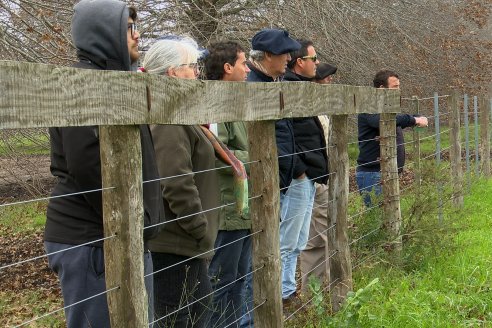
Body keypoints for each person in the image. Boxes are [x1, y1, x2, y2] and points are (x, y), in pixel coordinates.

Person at [44, 1, 162, 326]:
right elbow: (87, 165)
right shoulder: (83, 84)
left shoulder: (118, 81)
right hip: (92, 238)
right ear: (103, 32)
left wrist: (140, 223)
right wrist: (131, 220)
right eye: (129, 28)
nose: (137, 36)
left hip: (120, 233)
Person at [140, 36, 220, 328]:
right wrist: (199, 228)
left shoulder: (177, 113)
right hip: (176, 243)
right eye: (192, 66)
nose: (197, 73)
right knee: (181, 319)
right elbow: (175, 181)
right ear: (173, 72)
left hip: (183, 242)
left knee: (192, 314)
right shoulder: (168, 119)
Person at [242, 28, 301, 327]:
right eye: (284, 53)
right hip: (261, 188)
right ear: (266, 56)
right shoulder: (251, 86)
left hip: (278, 184)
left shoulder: (273, 84)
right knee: (259, 257)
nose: (289, 58)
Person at [205, 41, 252, 328]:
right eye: (243, 63)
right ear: (227, 68)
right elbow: (217, 154)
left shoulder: (236, 101)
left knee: (239, 281)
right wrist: (262, 156)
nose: (248, 69)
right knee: (222, 283)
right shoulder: (216, 105)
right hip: (227, 210)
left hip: (244, 209)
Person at [281, 40, 328, 307]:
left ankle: (288, 290)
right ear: (300, 62)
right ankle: (284, 293)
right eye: (314, 58)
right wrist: (299, 172)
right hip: (299, 177)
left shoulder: (301, 88)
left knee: (298, 239)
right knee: (289, 239)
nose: (317, 63)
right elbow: (285, 134)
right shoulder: (289, 89)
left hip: (308, 176)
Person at [356, 70, 428, 206]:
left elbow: (395, 119)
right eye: (395, 87)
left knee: (389, 220)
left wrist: (414, 117)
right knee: (378, 220)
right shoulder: (369, 107)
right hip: (373, 175)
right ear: (382, 89)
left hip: (388, 173)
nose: (398, 90)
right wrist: (413, 120)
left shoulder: (386, 108)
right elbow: (382, 121)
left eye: (399, 86)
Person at [299, 63, 338, 292]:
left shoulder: (322, 108)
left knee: (316, 237)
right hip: (312, 181)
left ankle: (313, 293)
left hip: (324, 178)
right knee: (322, 235)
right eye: (325, 79)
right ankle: (329, 289)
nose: (329, 82)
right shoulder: (306, 108)